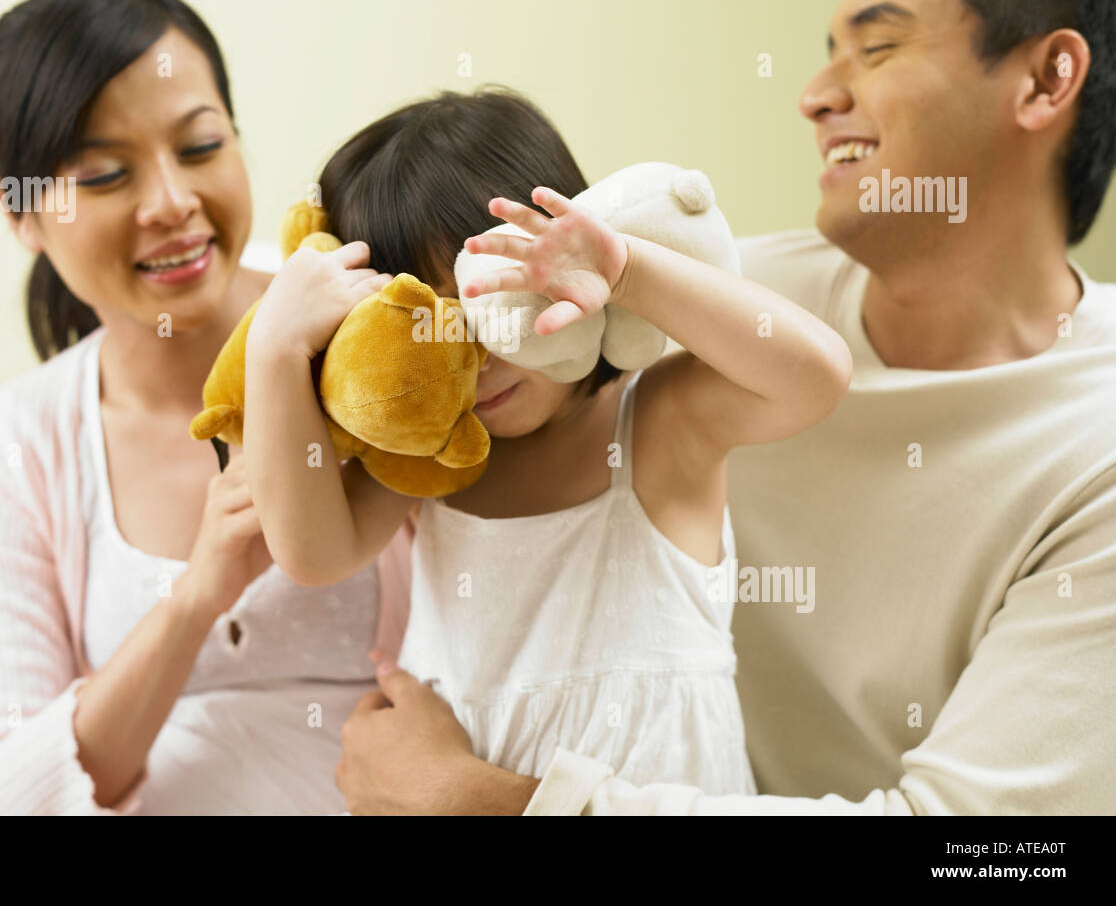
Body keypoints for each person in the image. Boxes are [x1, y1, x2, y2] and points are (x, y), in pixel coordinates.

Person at [335, 0, 1116, 815]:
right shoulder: (701, 298)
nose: (817, 95)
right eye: (827, 56)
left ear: (1044, 79)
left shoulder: (1092, 451)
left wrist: (480, 802)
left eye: (878, 47)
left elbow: (982, 855)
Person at [240, 88, 852, 795]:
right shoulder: (429, 458)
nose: (480, 353)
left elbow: (817, 377)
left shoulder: (655, 422)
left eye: (496, 300)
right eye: (431, 328)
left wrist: (628, 272)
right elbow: (313, 553)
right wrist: (274, 347)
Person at [0, 0, 412, 815]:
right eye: (104, 174)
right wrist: (197, 593)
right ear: (18, 212)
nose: (172, 203)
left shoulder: (374, 339)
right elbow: (4, 799)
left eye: (199, 148)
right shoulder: (20, 442)